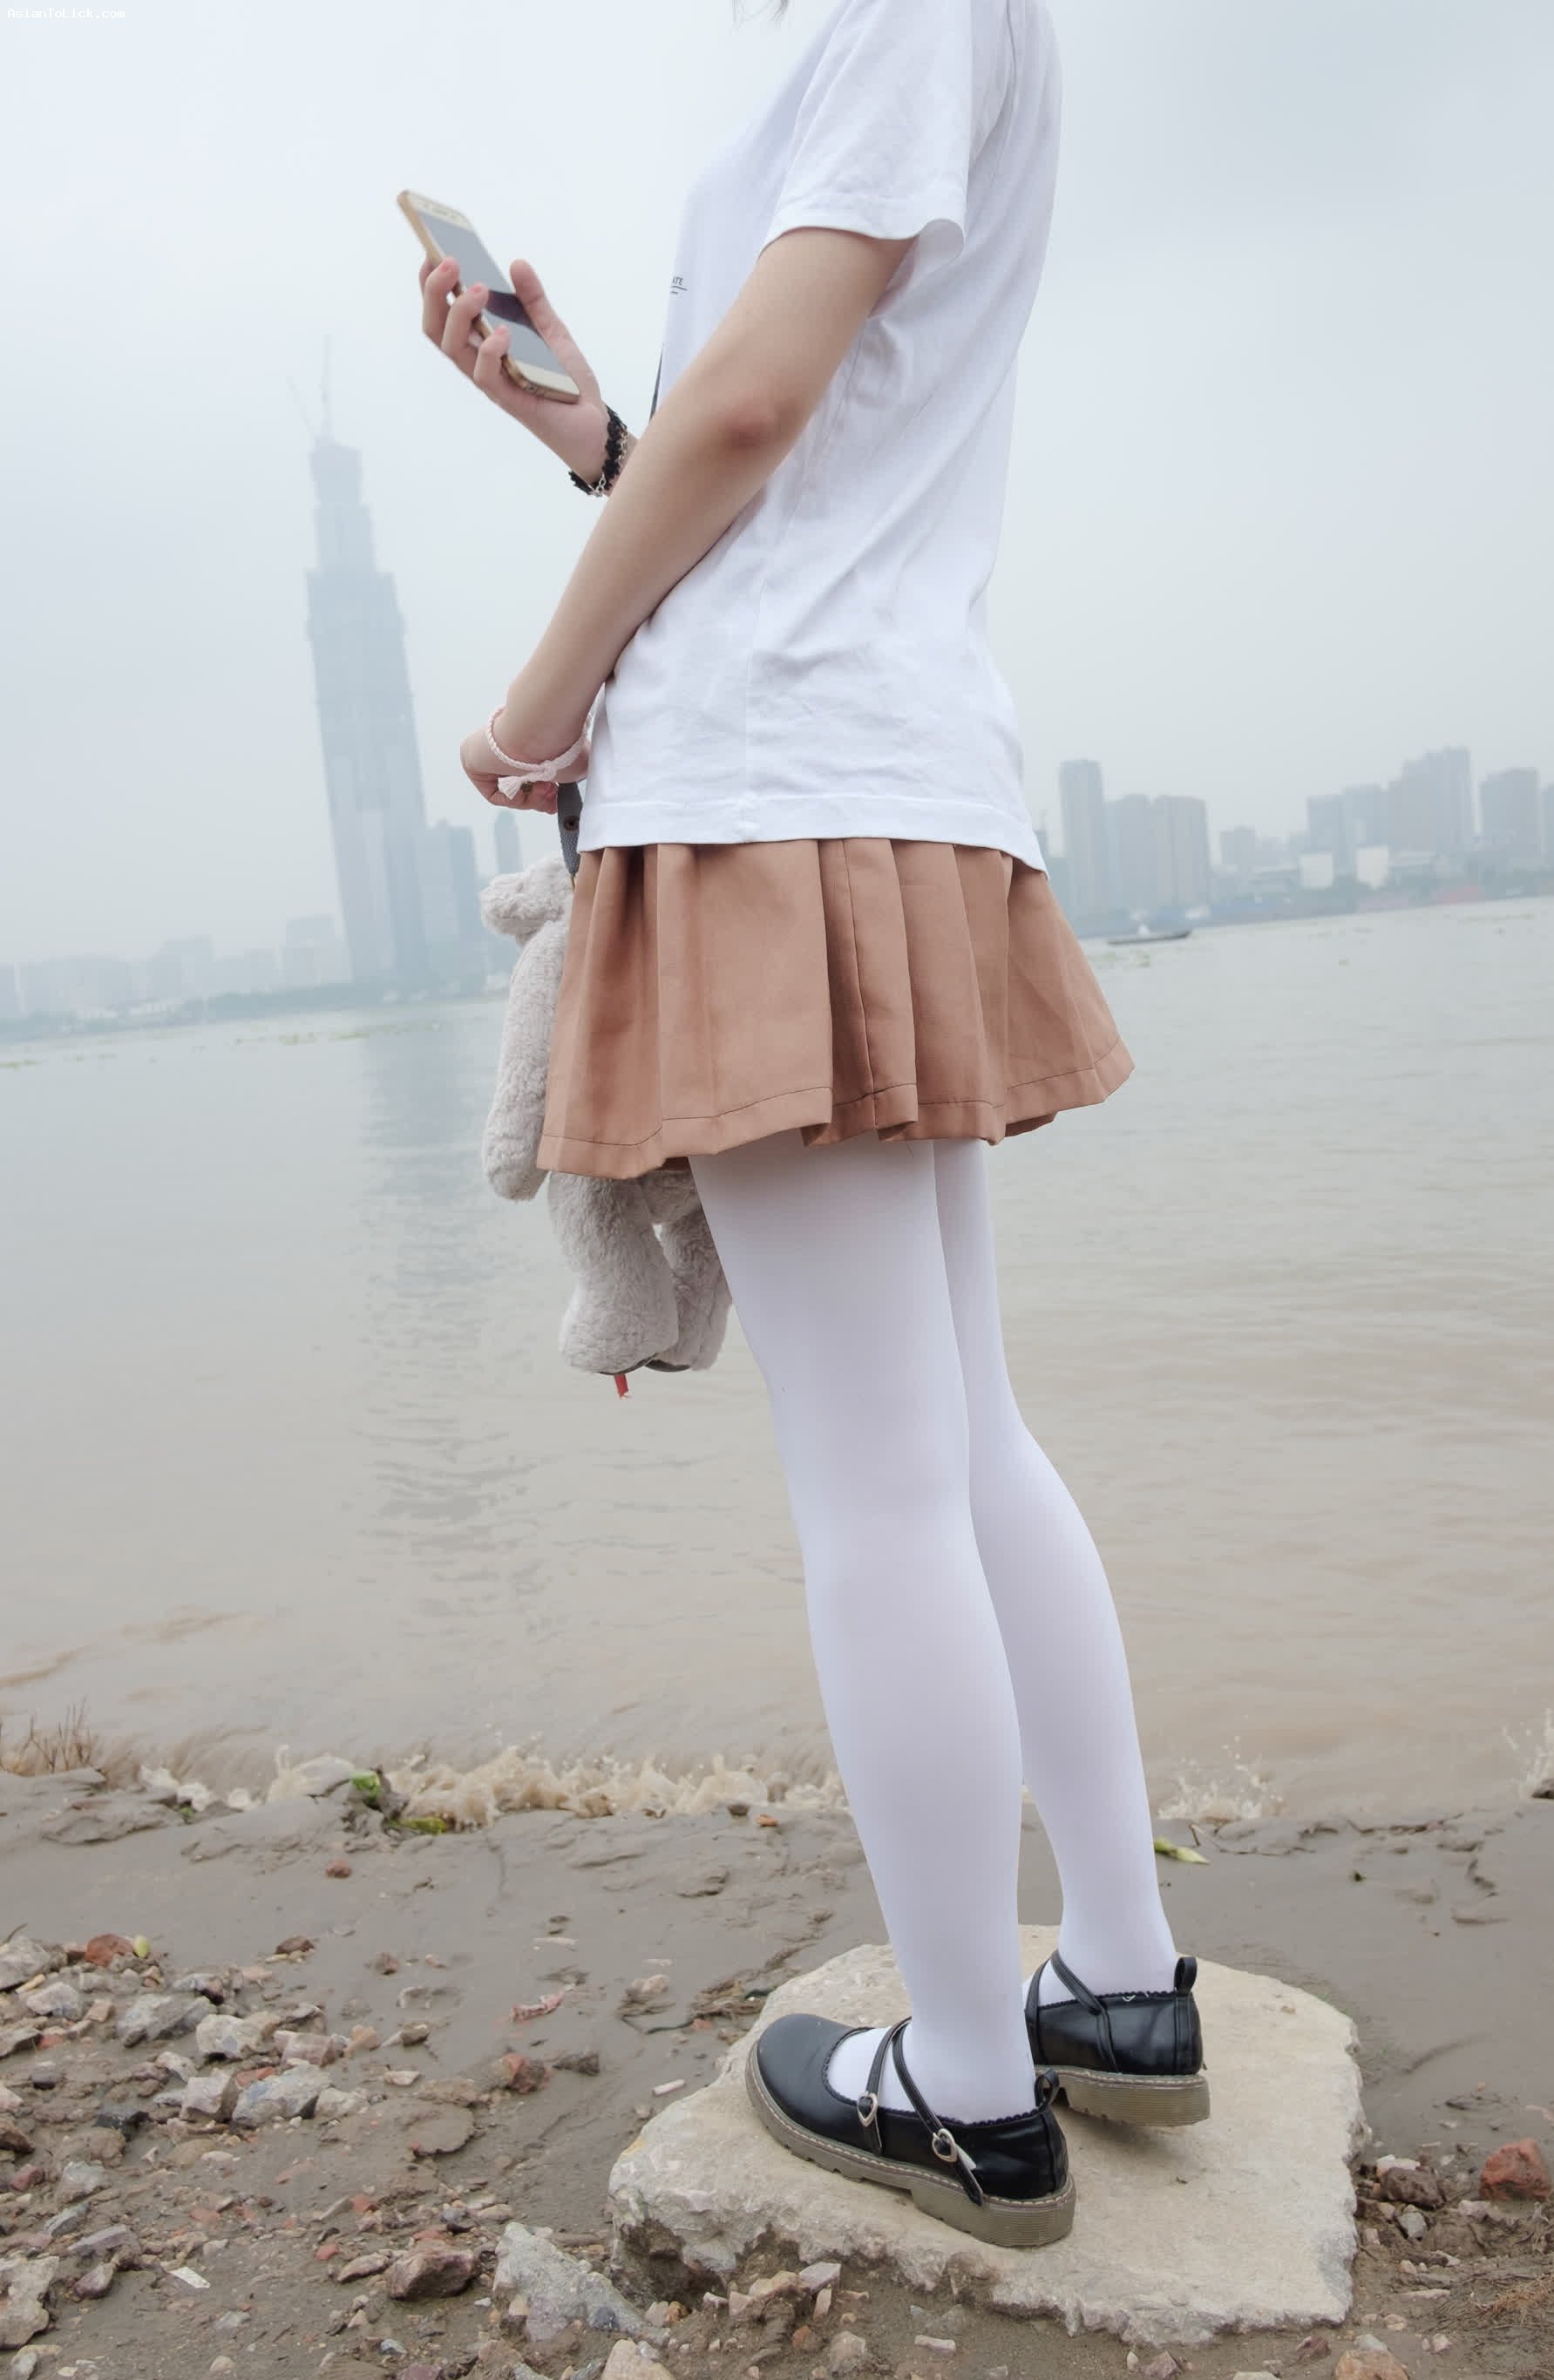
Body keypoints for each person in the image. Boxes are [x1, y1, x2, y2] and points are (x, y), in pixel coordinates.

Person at [421, 0, 1205, 2251]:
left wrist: (544, 696)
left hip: (776, 785)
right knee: (961, 1437)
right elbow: (790, 435)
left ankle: (970, 2086)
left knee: (876, 1481)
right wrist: (598, 433)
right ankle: (1116, 1981)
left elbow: (764, 406)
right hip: (885, 760)